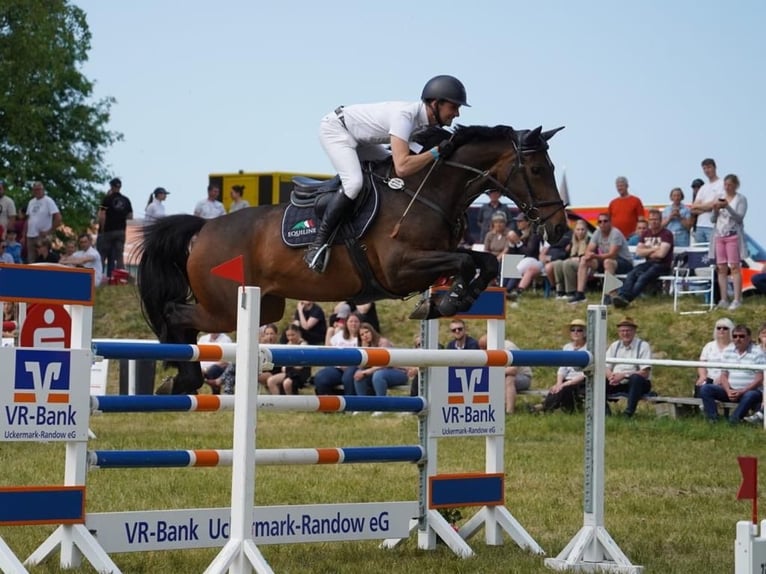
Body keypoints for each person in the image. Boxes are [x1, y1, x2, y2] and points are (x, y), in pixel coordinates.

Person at [304, 75, 469, 273]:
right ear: (437, 103)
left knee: (386, 170)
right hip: (337, 130)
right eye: (454, 107)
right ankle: (318, 245)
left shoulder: (424, 122)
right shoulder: (405, 116)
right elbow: (403, 166)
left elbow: (405, 161)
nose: (457, 113)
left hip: (362, 139)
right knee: (354, 183)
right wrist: (435, 152)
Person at [699, 324, 765, 423]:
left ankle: (734, 420)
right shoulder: (727, 351)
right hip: (730, 390)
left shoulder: (758, 353)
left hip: (749, 391)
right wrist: (728, 390)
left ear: (749, 338)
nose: (738, 339)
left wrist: (742, 391)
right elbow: (724, 375)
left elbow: (759, 379)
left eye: (742, 336)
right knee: (706, 389)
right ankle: (713, 419)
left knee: (751, 395)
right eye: (735, 336)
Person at [612, 209, 674, 309]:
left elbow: (662, 254)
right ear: (648, 220)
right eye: (651, 219)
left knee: (643, 277)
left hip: (663, 265)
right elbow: (639, 252)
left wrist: (647, 250)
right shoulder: (646, 233)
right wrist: (654, 249)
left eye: (656, 219)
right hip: (649, 263)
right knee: (631, 274)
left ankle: (626, 299)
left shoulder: (666, 234)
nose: (653, 222)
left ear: (660, 220)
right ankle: (622, 296)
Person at [569, 214, 633, 304]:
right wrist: (588, 255)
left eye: (605, 221)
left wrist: (594, 256)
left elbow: (612, 255)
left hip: (624, 263)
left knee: (608, 262)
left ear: (610, 222)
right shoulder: (597, 233)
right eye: (600, 221)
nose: (602, 223)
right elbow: (589, 249)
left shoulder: (615, 233)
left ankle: (610, 295)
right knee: (584, 260)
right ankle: (580, 294)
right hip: (607, 261)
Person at [529, 319, 588, 413]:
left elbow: (585, 373)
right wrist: (559, 383)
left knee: (565, 388)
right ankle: (547, 407)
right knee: (556, 388)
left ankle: (543, 407)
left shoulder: (589, 348)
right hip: (567, 378)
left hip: (582, 380)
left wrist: (564, 384)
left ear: (585, 333)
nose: (576, 332)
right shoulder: (567, 347)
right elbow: (562, 368)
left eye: (579, 330)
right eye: (573, 330)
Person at [711, 174, 747, 311]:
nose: (727, 187)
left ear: (736, 185)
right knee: (721, 268)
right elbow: (713, 220)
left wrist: (727, 207)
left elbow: (739, 218)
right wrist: (715, 209)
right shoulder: (720, 197)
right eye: (725, 184)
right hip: (719, 235)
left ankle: (737, 299)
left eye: (730, 185)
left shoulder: (741, 199)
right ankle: (724, 298)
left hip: (733, 235)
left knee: (734, 267)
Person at [350, 323, 408, 409]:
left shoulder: (383, 342)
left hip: (398, 372)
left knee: (378, 375)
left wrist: (368, 371)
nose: (365, 336)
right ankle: (362, 406)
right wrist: (364, 350)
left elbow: (385, 363)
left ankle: (381, 406)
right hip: (378, 373)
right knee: (358, 375)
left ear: (372, 331)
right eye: (362, 335)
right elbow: (362, 367)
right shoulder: (366, 346)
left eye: (367, 332)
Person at [605, 316, 652, 417]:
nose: (625, 333)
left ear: (634, 331)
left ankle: (628, 413)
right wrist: (611, 376)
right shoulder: (614, 346)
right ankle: (605, 412)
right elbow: (605, 366)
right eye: (622, 331)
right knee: (598, 380)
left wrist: (624, 375)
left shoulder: (643, 346)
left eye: (628, 330)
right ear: (618, 332)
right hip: (616, 381)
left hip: (636, 383)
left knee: (636, 378)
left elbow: (645, 372)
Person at [313, 313, 361, 395]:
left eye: (356, 321)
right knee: (320, 377)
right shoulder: (340, 335)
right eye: (351, 321)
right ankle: (329, 403)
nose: (353, 324)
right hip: (337, 367)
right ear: (346, 323)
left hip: (354, 367)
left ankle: (350, 404)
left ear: (360, 323)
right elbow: (329, 348)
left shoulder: (362, 337)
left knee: (347, 378)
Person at [98, 177, 133, 279]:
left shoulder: (107, 199)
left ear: (111, 186)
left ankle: (98, 277)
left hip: (108, 230)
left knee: (102, 254)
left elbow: (102, 214)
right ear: (120, 187)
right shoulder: (126, 200)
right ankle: (120, 277)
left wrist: (102, 229)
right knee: (119, 256)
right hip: (121, 231)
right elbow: (130, 216)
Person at [505, 213, 543, 300]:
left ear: (528, 222)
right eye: (517, 221)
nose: (518, 223)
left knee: (522, 264)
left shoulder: (534, 235)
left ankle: (508, 290)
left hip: (532, 260)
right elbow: (513, 254)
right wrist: (511, 243)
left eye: (520, 221)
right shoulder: (518, 233)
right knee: (508, 262)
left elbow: (529, 253)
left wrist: (518, 242)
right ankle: (503, 288)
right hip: (521, 260)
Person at [693, 317, 734, 398]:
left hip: (728, 380)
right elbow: (702, 364)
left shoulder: (735, 347)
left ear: (731, 330)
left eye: (725, 328)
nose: (721, 330)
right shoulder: (709, 346)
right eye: (719, 328)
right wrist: (702, 376)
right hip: (709, 379)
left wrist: (723, 379)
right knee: (701, 386)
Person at [550, 220, 589, 299]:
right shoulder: (572, 241)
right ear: (575, 231)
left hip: (584, 264)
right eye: (578, 229)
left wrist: (577, 258)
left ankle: (571, 291)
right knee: (558, 263)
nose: (580, 232)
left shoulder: (589, 241)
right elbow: (566, 254)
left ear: (586, 230)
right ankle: (560, 291)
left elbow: (588, 255)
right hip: (572, 261)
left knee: (567, 263)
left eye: (582, 229)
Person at [266, 324, 309, 395]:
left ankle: (291, 402)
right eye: (288, 335)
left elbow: (299, 367)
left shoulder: (304, 345)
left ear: (298, 333)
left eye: (293, 335)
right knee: (270, 381)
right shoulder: (288, 345)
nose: (290, 338)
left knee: (287, 383)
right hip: (289, 372)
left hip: (300, 373)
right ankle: (278, 402)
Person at [25, 181, 62, 262]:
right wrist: (24, 234)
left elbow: (58, 217)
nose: (37, 191)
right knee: (31, 259)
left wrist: (49, 231)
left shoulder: (48, 201)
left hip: (42, 236)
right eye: (35, 190)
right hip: (30, 235)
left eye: (39, 189)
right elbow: (28, 219)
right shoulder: (31, 202)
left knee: (43, 258)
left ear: (43, 190)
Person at [691, 158, 724, 244]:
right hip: (700, 226)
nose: (706, 170)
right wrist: (708, 207)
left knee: (714, 254)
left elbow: (715, 204)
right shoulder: (703, 187)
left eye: (709, 167)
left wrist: (702, 207)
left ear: (714, 167)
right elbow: (693, 208)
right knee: (699, 255)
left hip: (713, 226)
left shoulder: (722, 184)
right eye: (704, 168)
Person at [503, 339, 533, 415]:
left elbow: (513, 370)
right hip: (503, 377)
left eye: (484, 348)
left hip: (524, 377)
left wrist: (495, 372)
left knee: (509, 378)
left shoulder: (508, 347)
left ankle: (509, 411)